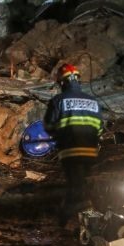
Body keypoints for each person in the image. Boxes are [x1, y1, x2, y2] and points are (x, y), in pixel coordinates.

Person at [44, 63, 103, 226]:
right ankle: (87, 217)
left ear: (62, 82)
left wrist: (58, 135)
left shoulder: (58, 101)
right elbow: (100, 127)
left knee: (75, 185)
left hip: (69, 152)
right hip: (91, 152)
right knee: (84, 183)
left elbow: (48, 126)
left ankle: (67, 219)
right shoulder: (93, 101)